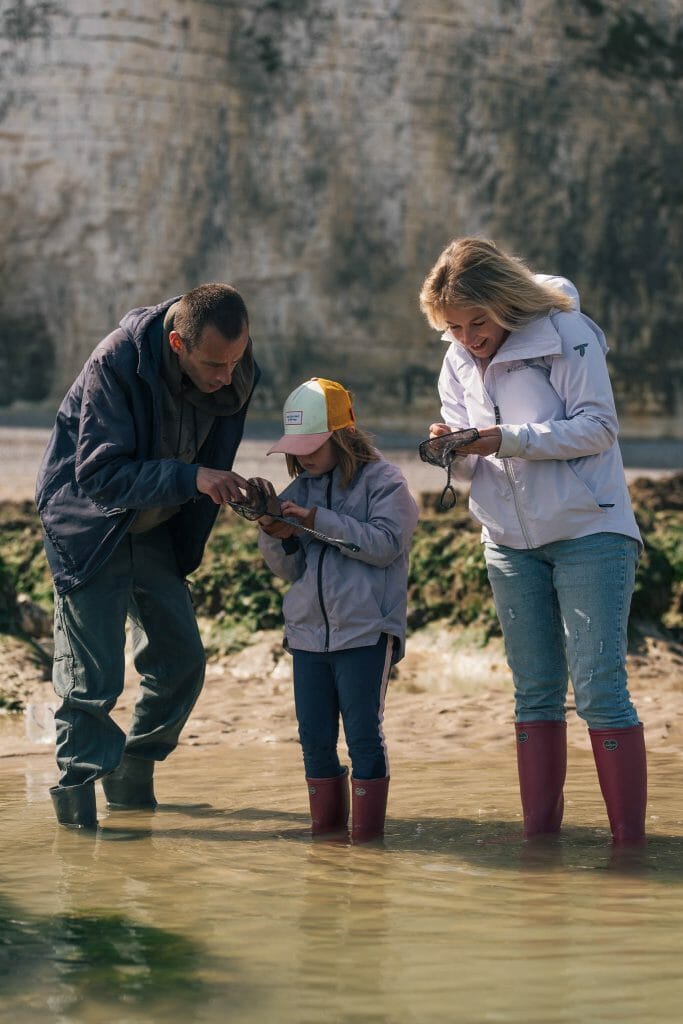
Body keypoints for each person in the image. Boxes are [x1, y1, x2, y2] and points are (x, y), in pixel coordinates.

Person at [419, 237, 646, 846]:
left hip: (589, 530)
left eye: (477, 321)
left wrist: (502, 438)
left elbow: (599, 427)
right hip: (507, 542)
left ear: (504, 301)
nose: (467, 337)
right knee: (535, 692)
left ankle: (630, 850)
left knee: (600, 689)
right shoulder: (457, 358)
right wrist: (453, 448)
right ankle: (538, 849)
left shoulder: (565, 331)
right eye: (453, 326)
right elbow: (472, 466)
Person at [35, 283, 258, 829]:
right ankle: (78, 820)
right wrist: (192, 477)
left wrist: (228, 489)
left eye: (236, 359)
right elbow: (100, 476)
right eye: (215, 363)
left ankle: (131, 775)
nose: (228, 376)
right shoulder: (115, 360)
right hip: (91, 525)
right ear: (178, 343)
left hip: (158, 528)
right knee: (93, 682)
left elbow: (209, 458)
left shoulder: (234, 363)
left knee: (182, 664)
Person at [252, 378, 419, 842]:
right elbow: (287, 571)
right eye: (296, 447)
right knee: (314, 740)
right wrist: (272, 530)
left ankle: (367, 843)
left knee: (364, 736)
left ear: (342, 436)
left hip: (366, 634)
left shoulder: (385, 482)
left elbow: (386, 544)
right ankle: (326, 842)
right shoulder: (298, 488)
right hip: (307, 636)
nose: (302, 457)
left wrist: (313, 521)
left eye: (312, 445)